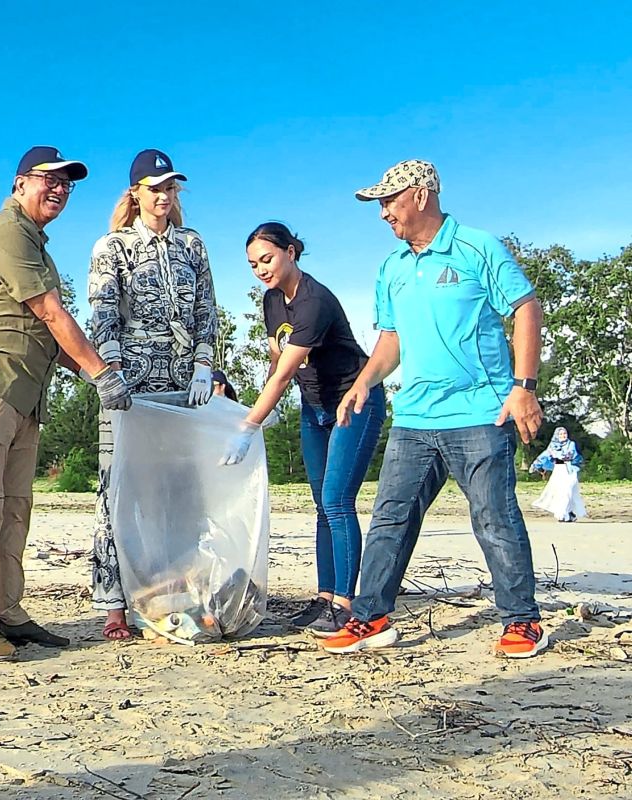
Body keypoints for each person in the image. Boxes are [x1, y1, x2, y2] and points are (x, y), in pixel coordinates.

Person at [320, 159, 549, 659]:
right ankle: (370, 618)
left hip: (480, 413)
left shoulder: (477, 247)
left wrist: (523, 386)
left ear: (420, 195)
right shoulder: (392, 268)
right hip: (415, 420)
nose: (383, 213)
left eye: (388, 200)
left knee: (494, 518)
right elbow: (391, 339)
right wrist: (362, 383)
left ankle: (522, 621)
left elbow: (526, 308)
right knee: (389, 519)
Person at [0, 145, 133, 659]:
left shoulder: (35, 245)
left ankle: (7, 609)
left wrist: (98, 375)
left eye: (68, 183)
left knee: (15, 508)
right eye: (50, 179)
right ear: (20, 183)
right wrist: (100, 373)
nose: (60, 189)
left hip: (22, 392)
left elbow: (49, 335)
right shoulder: (6, 231)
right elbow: (49, 312)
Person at [220, 223, 386, 637]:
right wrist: (266, 407)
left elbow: (284, 375)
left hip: (354, 401)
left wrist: (249, 423)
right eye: (253, 264)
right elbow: (277, 360)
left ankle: (346, 606)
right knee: (320, 505)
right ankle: (326, 598)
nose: (260, 269)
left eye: (268, 259)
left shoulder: (314, 301)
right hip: (314, 408)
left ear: (291, 252)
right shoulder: (272, 300)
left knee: (337, 501)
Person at [87, 148, 221, 641]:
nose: (164, 196)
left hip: (185, 384)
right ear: (136, 193)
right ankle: (116, 604)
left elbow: (207, 307)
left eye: (171, 188)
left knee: (182, 493)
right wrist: (112, 373)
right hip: (131, 387)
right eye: (155, 188)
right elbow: (101, 311)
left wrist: (205, 365)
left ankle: (177, 595)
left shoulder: (192, 244)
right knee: (121, 491)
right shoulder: (113, 246)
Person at [531, 427, 587, 522]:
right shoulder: (552, 446)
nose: (563, 436)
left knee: (568, 492)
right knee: (559, 493)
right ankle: (565, 514)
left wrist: (556, 454)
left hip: (569, 470)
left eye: (564, 433)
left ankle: (564, 513)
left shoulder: (571, 444)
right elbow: (545, 455)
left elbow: (569, 455)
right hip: (559, 470)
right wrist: (536, 465)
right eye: (561, 434)